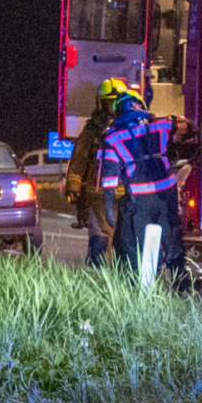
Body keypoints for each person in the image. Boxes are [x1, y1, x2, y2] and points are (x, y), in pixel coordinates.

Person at [97, 87, 183, 281]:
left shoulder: (111, 137)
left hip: (140, 198)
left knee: (137, 244)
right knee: (172, 239)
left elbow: (109, 179)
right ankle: (181, 286)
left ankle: (144, 287)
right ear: (138, 105)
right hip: (167, 193)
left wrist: (110, 211)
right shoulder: (161, 124)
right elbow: (185, 136)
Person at [62, 80, 123, 265]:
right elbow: (79, 157)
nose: (113, 107)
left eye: (116, 102)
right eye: (109, 102)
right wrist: (73, 185)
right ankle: (96, 278)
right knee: (100, 237)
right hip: (99, 194)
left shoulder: (129, 126)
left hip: (126, 195)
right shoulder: (92, 129)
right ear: (101, 103)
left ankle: (124, 282)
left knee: (124, 239)